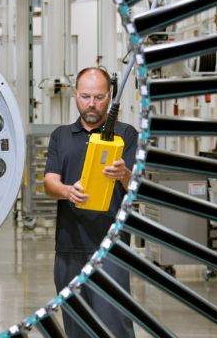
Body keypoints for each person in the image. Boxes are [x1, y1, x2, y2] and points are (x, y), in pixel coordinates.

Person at [43, 67, 138, 337]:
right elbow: (49, 182)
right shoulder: (61, 136)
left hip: (111, 248)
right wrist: (67, 191)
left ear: (109, 97)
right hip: (69, 248)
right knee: (76, 327)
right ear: (75, 95)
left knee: (115, 325)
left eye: (98, 97)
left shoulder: (126, 135)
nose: (92, 104)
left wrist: (124, 174)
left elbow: (135, 187)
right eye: (85, 96)